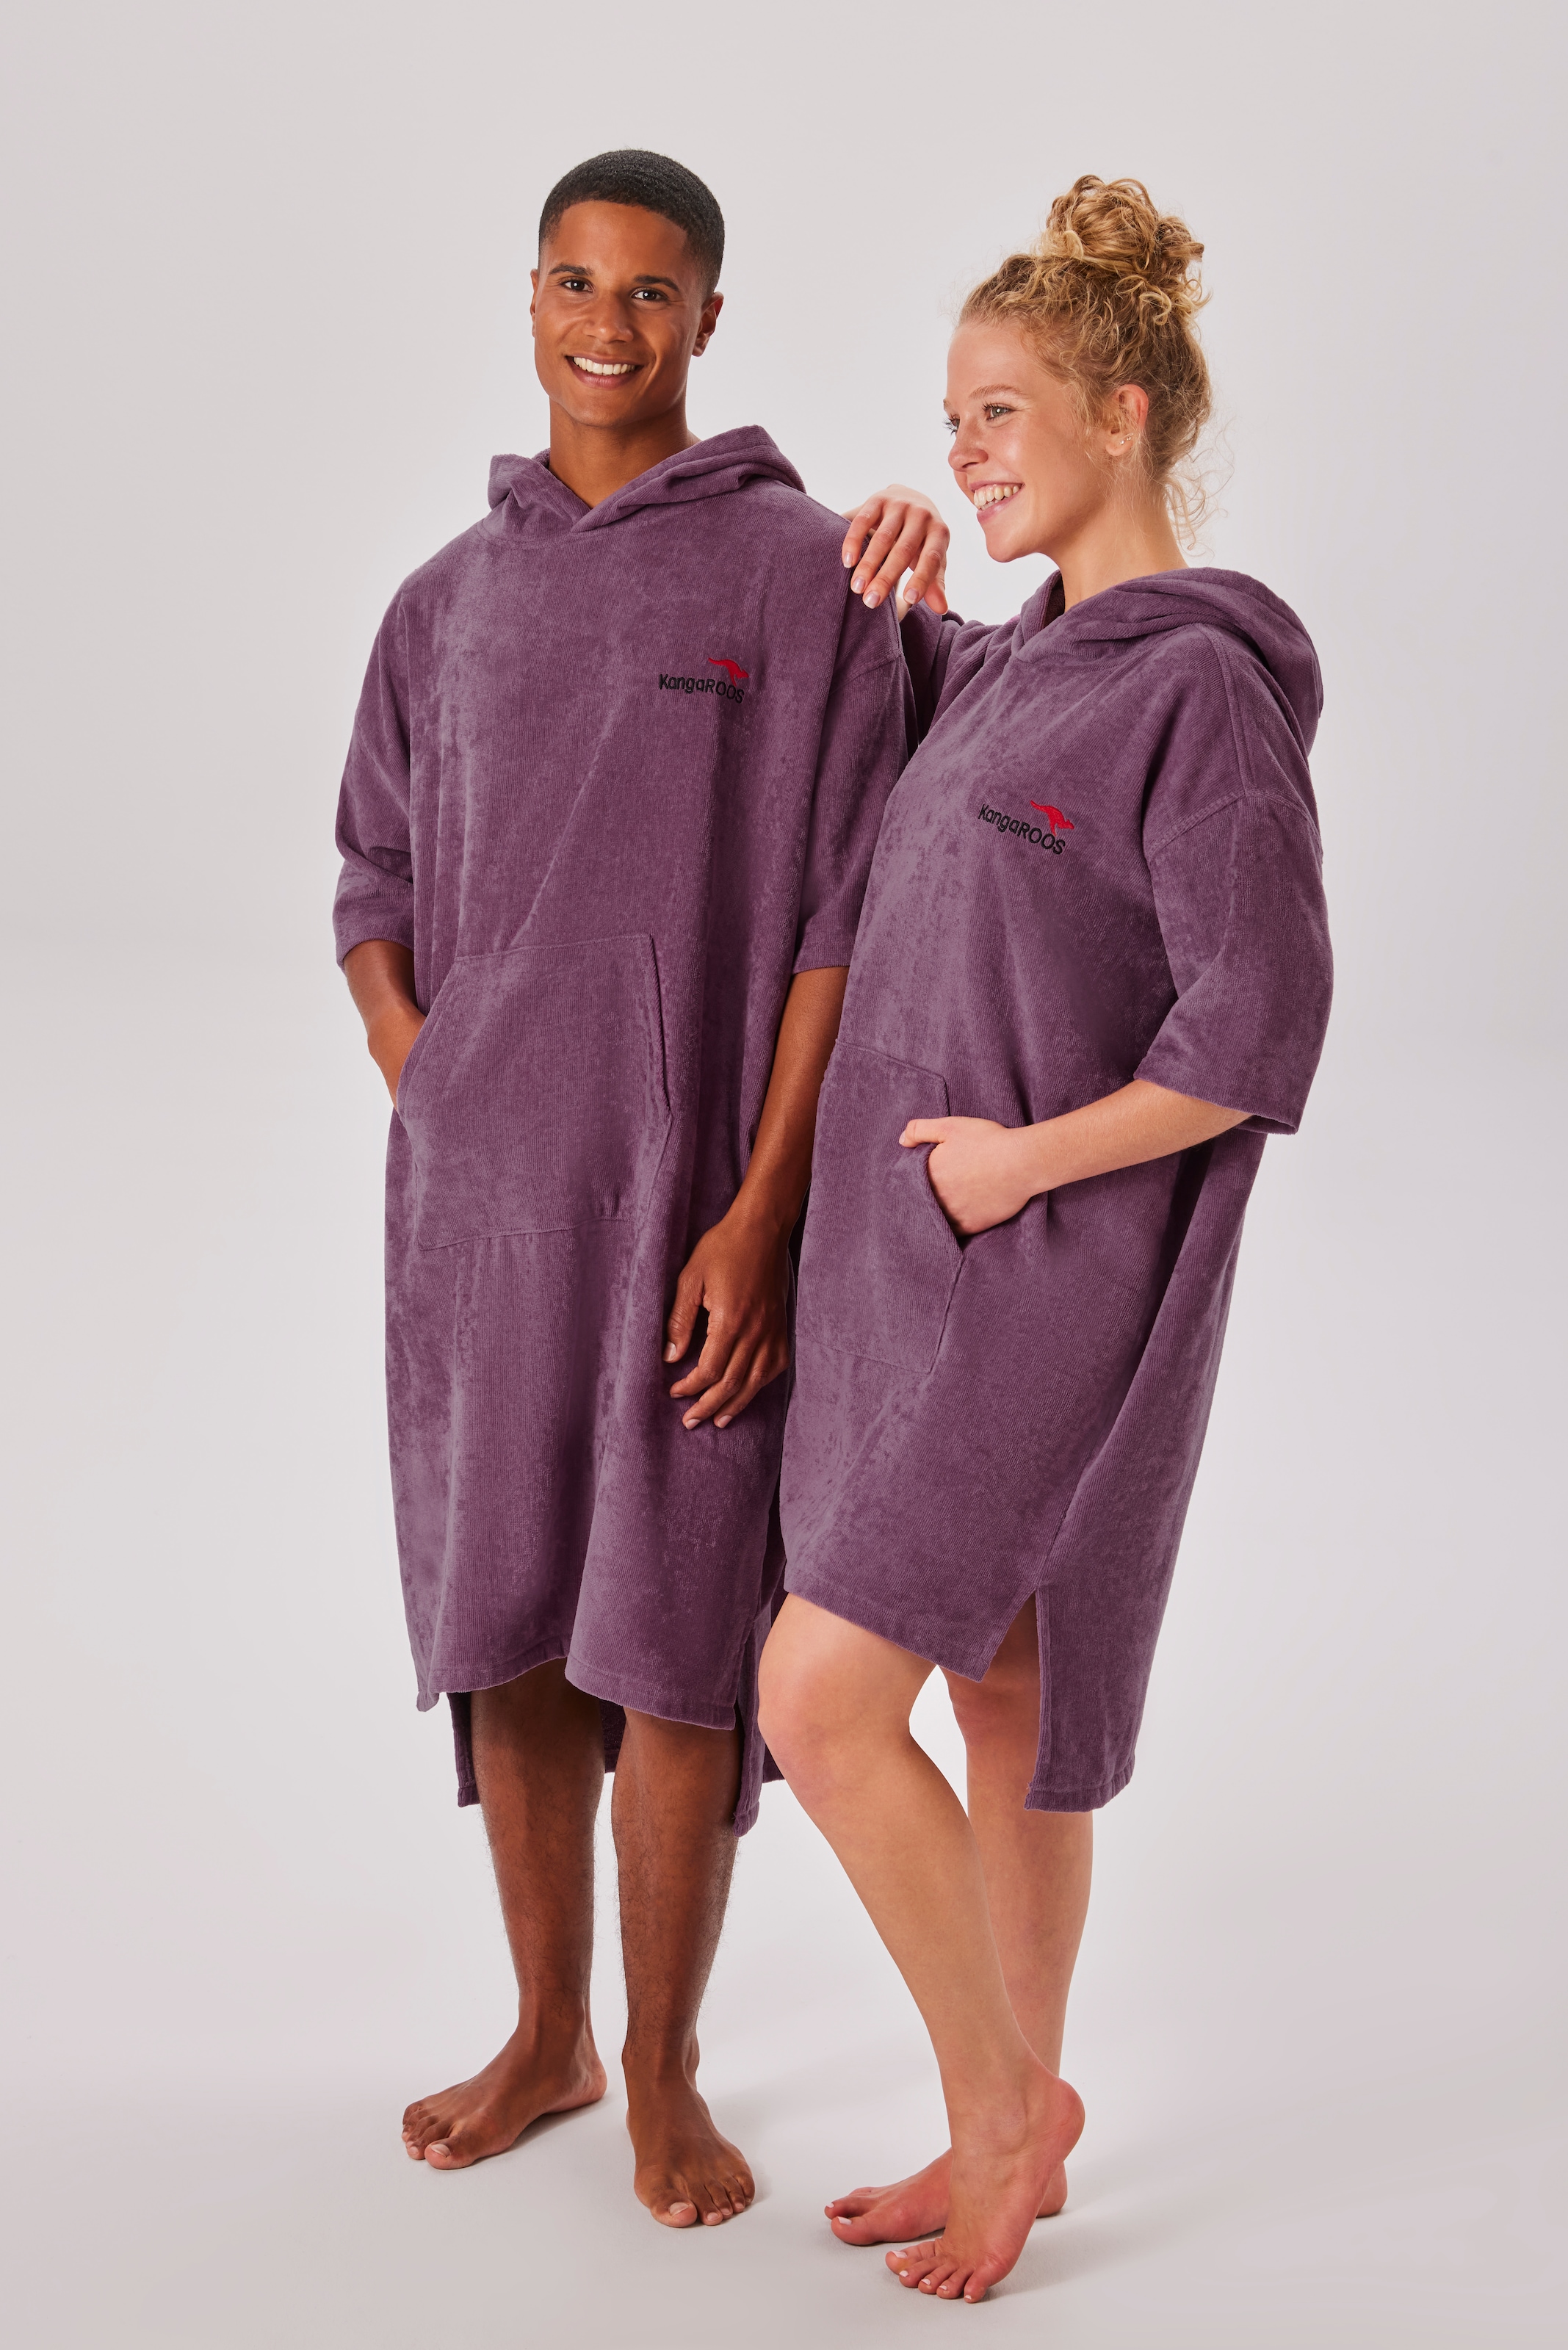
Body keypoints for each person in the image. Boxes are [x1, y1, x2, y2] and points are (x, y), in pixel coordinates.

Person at [758, 176, 1334, 2301]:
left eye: (999, 412)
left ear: (1123, 413)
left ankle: (1009, 2107)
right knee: (996, 1696)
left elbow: (1256, 1030)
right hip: (914, 1284)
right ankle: (1011, 2115)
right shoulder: (1013, 674)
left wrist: (1023, 1166)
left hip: (1045, 1283)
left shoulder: (1204, 697)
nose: (968, 447)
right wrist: (912, 596)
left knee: (819, 1700)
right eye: (951, 416)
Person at [333, 150, 906, 2226]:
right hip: (481, 1224)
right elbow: (370, 878)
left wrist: (764, 1211)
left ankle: (663, 2069)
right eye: (576, 282)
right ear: (531, 296)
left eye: (652, 291)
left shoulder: (802, 577)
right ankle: (548, 2034)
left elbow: (846, 912)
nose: (608, 324)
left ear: (709, 319)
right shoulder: (446, 601)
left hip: (695, 1218)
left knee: (669, 1631)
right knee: (511, 1625)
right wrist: (433, 1086)